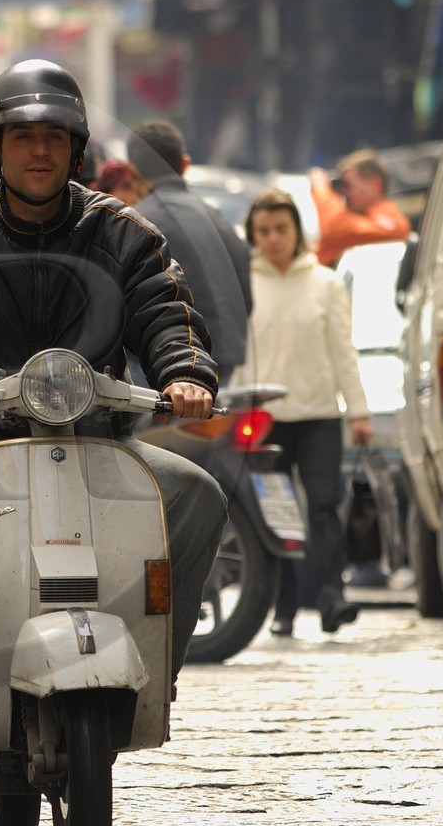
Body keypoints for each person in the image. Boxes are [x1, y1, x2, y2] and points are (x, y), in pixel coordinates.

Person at [0, 59, 228, 689]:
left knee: (197, 495)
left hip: (97, 442)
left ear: (76, 150)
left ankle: (155, 668)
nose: (39, 151)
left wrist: (185, 374)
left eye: (55, 137)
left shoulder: (125, 235)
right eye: (23, 137)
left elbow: (168, 314)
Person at [232, 188, 373, 636]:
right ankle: (285, 607)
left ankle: (332, 597)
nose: (273, 238)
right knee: (275, 512)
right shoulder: (243, 282)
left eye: (281, 229)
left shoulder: (326, 283)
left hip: (318, 415)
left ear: (297, 232)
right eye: (264, 231)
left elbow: (343, 351)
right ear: (253, 235)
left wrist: (359, 411)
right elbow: (234, 353)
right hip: (262, 417)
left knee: (323, 507)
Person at [126, 120, 252, 386]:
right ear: (185, 165)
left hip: (164, 372)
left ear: (132, 172)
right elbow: (246, 300)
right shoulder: (218, 220)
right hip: (224, 365)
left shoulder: (138, 223)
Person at [310, 148, 410, 268]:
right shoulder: (357, 218)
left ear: (374, 184)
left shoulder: (394, 222)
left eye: (348, 185)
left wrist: (322, 190)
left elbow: (336, 229)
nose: (344, 193)